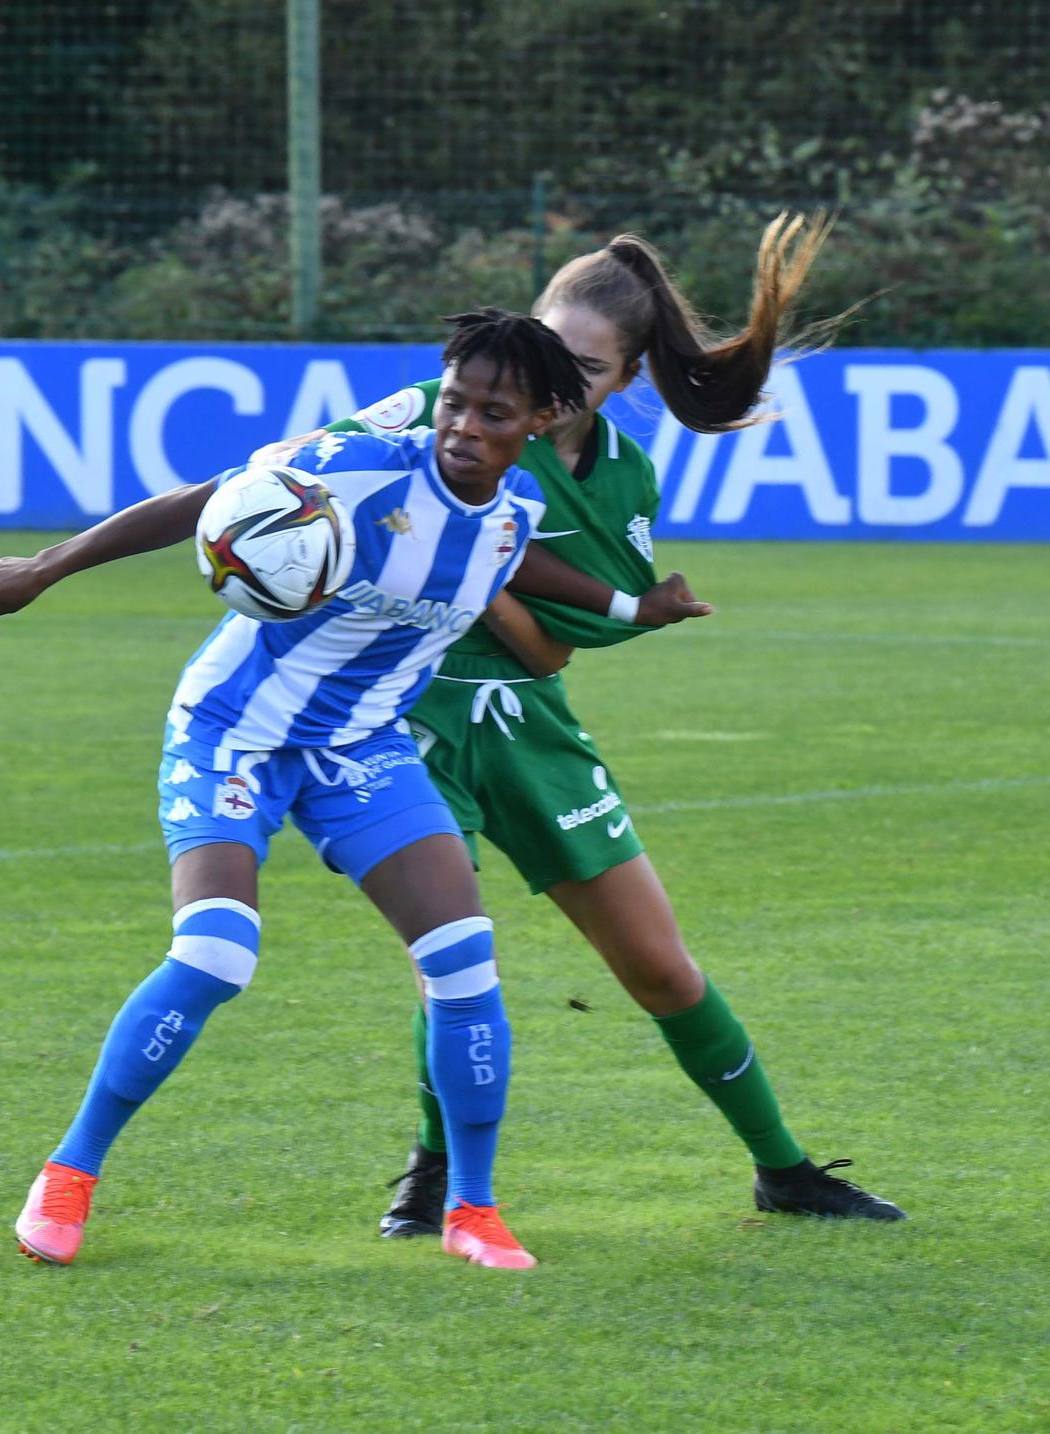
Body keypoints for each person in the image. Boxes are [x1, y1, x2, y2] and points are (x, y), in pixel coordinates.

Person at [0, 308, 701, 1272]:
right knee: (216, 955)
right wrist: (44, 569)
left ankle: (472, 1211)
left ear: (541, 423)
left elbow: (511, 555)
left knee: (465, 965)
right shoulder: (355, 467)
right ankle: (68, 1176)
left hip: (357, 749)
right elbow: (208, 499)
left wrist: (632, 607)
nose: (464, 427)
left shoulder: (511, 515)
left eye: (494, 412)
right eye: (458, 403)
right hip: (234, 734)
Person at [258, 214, 905, 1230]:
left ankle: (784, 1169)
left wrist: (476, 580)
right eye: (549, 356)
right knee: (452, 958)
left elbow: (574, 632)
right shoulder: (442, 408)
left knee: (656, 965)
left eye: (588, 371)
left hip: (528, 721)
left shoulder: (622, 478)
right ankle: (435, 1180)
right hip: (402, 707)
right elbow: (301, 482)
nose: (555, 386)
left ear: (630, 376)